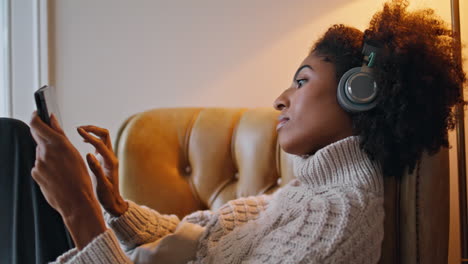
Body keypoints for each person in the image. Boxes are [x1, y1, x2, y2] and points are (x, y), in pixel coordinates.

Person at [10, 0, 466, 263]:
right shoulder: (301, 195)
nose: (280, 99)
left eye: (302, 81)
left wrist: (79, 210)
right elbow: (201, 234)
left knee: (12, 147)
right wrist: (113, 205)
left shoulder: (336, 223)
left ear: (357, 93)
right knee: (13, 145)